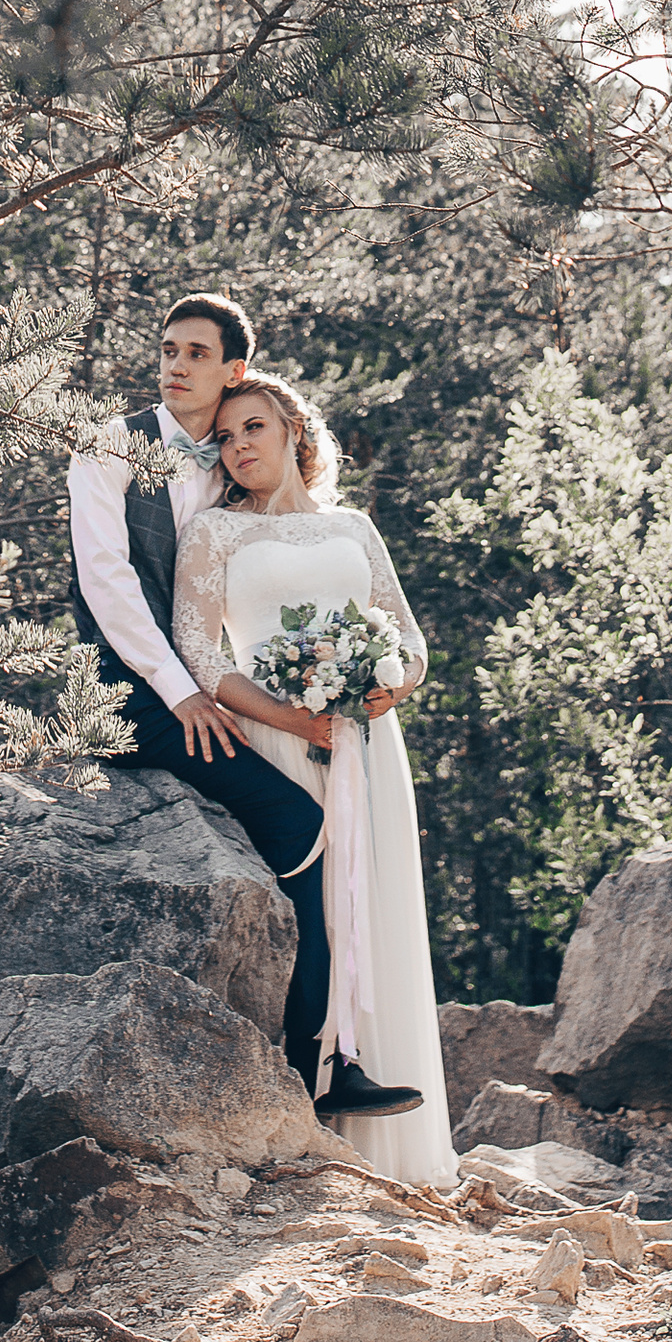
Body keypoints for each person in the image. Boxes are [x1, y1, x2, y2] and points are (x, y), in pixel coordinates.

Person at [66, 294, 423, 1128]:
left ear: (235, 372)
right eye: (167, 349)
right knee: (300, 830)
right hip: (136, 692)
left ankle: (330, 1063)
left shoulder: (230, 473)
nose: (175, 364)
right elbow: (108, 584)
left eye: (196, 352)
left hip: (239, 699)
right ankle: (316, 1070)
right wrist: (182, 689)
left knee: (314, 847)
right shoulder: (114, 444)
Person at [168, 367, 455, 1184]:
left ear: (294, 431)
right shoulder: (215, 535)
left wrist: (385, 688)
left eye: (252, 428)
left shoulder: (356, 527)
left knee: (377, 903)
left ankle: (390, 1136)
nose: (237, 448)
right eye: (223, 438)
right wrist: (292, 717)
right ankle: (314, 1090)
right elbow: (198, 651)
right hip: (279, 739)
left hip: (367, 741)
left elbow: (410, 641)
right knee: (315, 906)